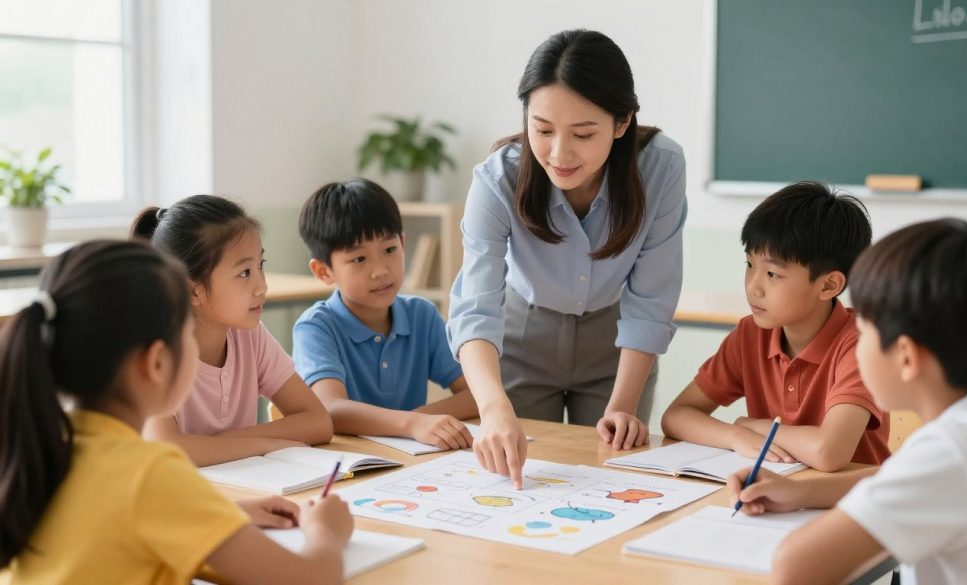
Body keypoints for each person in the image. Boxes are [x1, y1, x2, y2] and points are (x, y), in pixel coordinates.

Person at [0, 240, 352, 584]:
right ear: (156, 363)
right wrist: (326, 531)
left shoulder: (43, 446)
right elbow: (312, 577)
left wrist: (224, 514)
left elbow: (111, 525)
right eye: (188, 332)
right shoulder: (150, 475)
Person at [448, 29, 687, 487]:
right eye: (541, 130)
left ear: (622, 123)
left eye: (582, 133)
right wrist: (493, 407)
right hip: (522, 337)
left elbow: (652, 298)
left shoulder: (660, 168)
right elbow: (476, 306)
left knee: (611, 480)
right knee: (515, 482)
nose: (558, 153)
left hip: (614, 345)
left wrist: (622, 406)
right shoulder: (497, 179)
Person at [728, 219, 967, 584]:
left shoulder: (949, 454)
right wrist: (800, 491)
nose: (856, 344)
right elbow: (897, 476)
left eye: (864, 332)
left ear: (905, 357)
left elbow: (795, 566)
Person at [661, 182, 889, 471]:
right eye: (749, 264)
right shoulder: (751, 335)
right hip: (776, 494)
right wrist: (736, 435)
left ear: (829, 285)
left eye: (772, 274)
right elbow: (677, 415)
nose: (753, 287)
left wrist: (758, 427)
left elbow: (830, 452)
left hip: (847, 503)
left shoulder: (861, 344)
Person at [132, 195, 333, 466]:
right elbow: (169, 450)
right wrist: (262, 444)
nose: (262, 285)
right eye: (244, 273)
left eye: (260, 265)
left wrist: (229, 441)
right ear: (193, 289)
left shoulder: (250, 336)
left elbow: (318, 421)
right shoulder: (155, 351)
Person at [293, 179, 477, 450]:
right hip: (350, 463)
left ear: (403, 243)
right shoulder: (316, 327)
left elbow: (476, 393)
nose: (380, 270)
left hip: (411, 460)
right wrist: (411, 425)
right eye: (359, 259)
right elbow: (330, 409)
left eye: (389, 250)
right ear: (324, 271)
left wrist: (416, 422)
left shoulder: (421, 315)